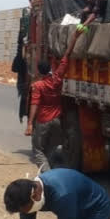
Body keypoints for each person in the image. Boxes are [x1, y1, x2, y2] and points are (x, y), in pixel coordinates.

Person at [26, 30, 83, 171]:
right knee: (50, 150)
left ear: (39, 71)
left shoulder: (38, 86)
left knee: (38, 151)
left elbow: (34, 104)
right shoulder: (57, 79)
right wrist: (74, 37)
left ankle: (47, 175)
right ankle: (49, 174)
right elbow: (66, 56)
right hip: (57, 121)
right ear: (50, 69)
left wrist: (29, 124)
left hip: (43, 121)